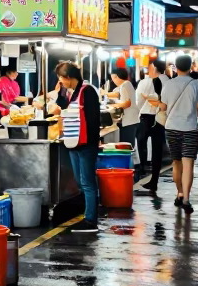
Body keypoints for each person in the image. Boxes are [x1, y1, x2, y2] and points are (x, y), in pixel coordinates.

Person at [55, 61, 102, 235]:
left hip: (86, 145)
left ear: (68, 77)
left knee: (88, 182)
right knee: (80, 181)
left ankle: (91, 220)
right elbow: (62, 106)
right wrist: (61, 90)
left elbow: (93, 118)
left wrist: (91, 142)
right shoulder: (72, 93)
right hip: (74, 143)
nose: (61, 81)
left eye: (61, 78)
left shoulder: (87, 91)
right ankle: (87, 215)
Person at [159, 54, 198, 213]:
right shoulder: (195, 84)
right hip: (190, 128)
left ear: (176, 67)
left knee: (176, 163)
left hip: (172, 127)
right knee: (188, 165)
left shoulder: (168, 85)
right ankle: (186, 199)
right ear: (190, 67)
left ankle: (179, 193)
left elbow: (163, 107)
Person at [136, 59, 167, 195]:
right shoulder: (168, 80)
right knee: (157, 150)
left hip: (154, 117)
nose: (148, 70)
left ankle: (148, 174)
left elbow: (160, 102)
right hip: (163, 118)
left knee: (144, 143)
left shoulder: (156, 81)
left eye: (149, 67)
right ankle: (153, 180)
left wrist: (148, 99)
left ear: (154, 68)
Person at [106, 67, 140, 147]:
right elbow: (117, 94)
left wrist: (113, 105)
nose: (113, 81)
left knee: (127, 145)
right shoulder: (125, 85)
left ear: (116, 76)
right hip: (129, 120)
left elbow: (127, 104)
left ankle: (130, 159)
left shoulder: (125, 85)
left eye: (113, 79)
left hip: (129, 121)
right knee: (127, 144)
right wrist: (105, 94)